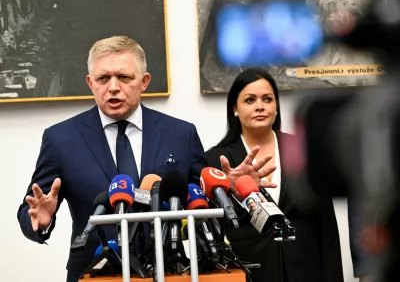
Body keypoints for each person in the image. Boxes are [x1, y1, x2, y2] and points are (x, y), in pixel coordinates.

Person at [16, 36, 275, 282]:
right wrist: (39, 221)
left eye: (124, 77)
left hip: (170, 272)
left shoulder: (180, 134)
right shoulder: (60, 139)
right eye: (103, 78)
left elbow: (204, 208)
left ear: (144, 81)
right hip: (93, 274)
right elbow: (31, 211)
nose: (113, 87)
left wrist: (227, 191)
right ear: (90, 83)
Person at [205, 68, 344, 282]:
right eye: (250, 100)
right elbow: (210, 233)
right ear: (235, 108)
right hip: (250, 273)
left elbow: (327, 227)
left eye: (267, 99)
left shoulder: (304, 150)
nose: (260, 106)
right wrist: (231, 191)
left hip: (306, 271)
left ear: (276, 106)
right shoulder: (217, 162)